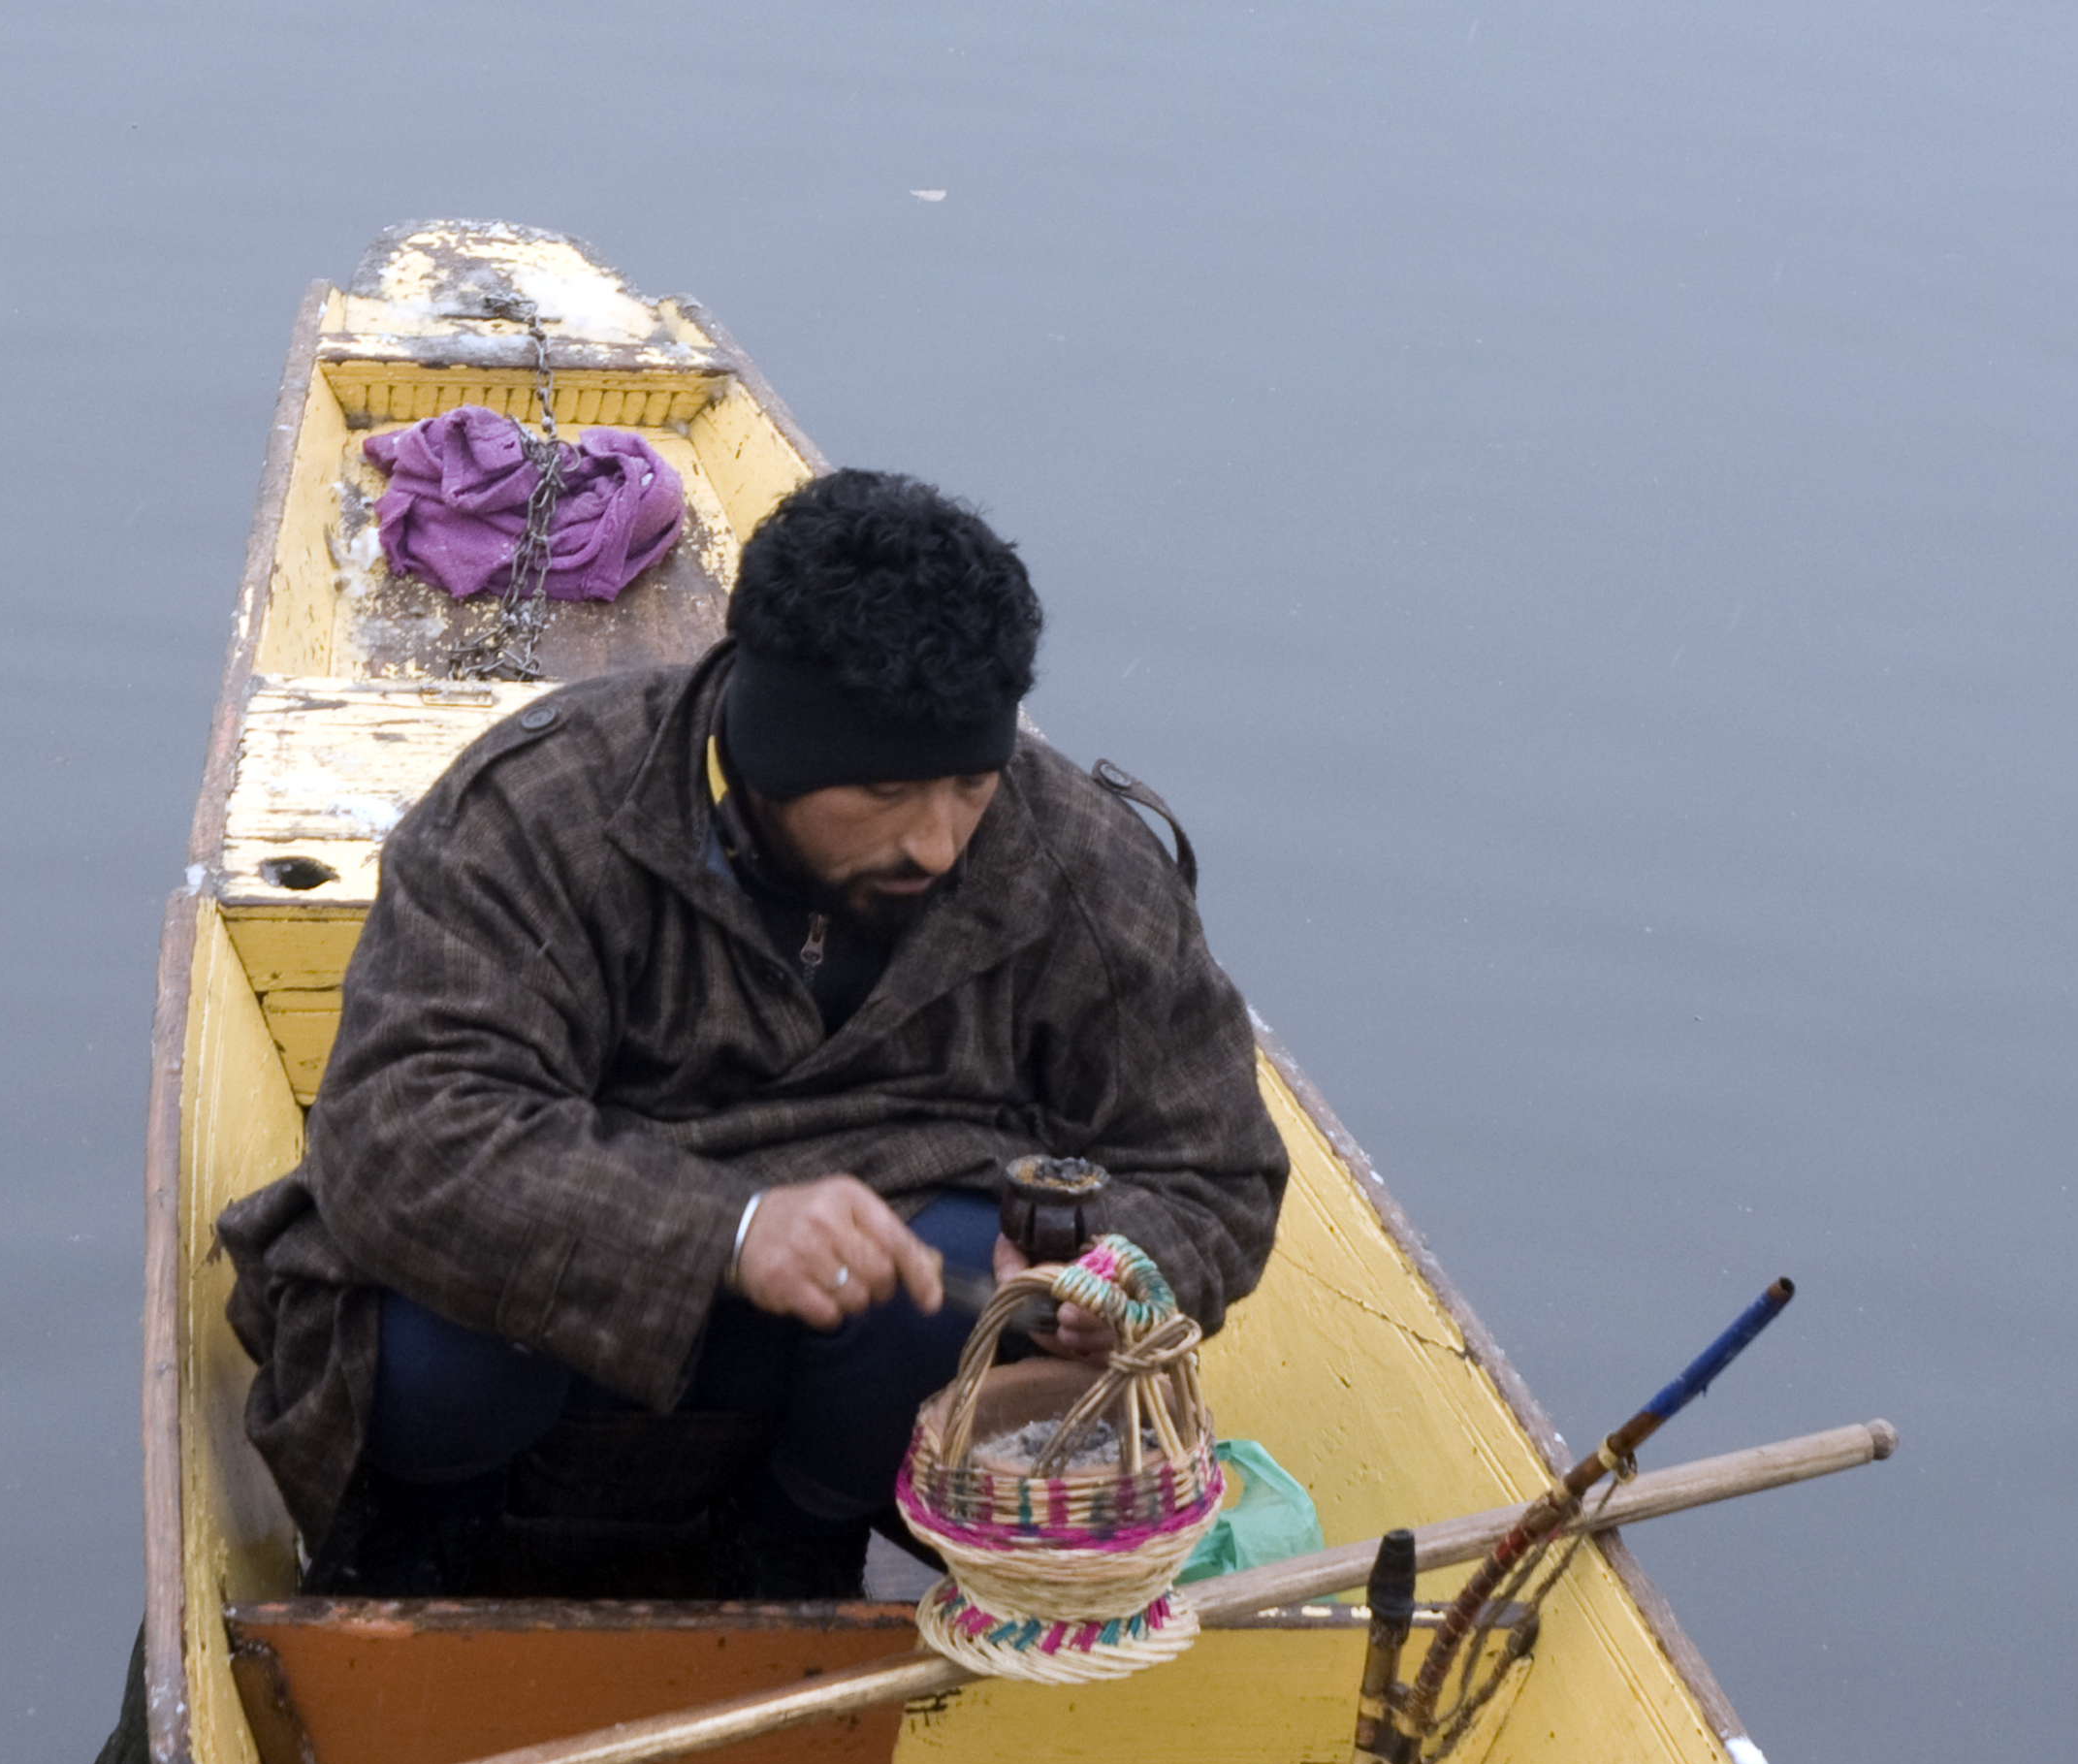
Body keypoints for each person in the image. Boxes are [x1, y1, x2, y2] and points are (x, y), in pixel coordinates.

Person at [215, 468, 1287, 1596]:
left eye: (969, 784)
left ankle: (794, 1542)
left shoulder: (1083, 867)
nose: (935, 842)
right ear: (772, 747)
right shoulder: (535, 814)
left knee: (954, 1282)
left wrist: (1117, 1272)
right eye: (881, 792)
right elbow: (399, 1137)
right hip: (555, 1333)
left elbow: (1214, 1170)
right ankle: (425, 1536)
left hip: (848, 1371)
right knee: (432, 1348)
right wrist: (728, 1231)